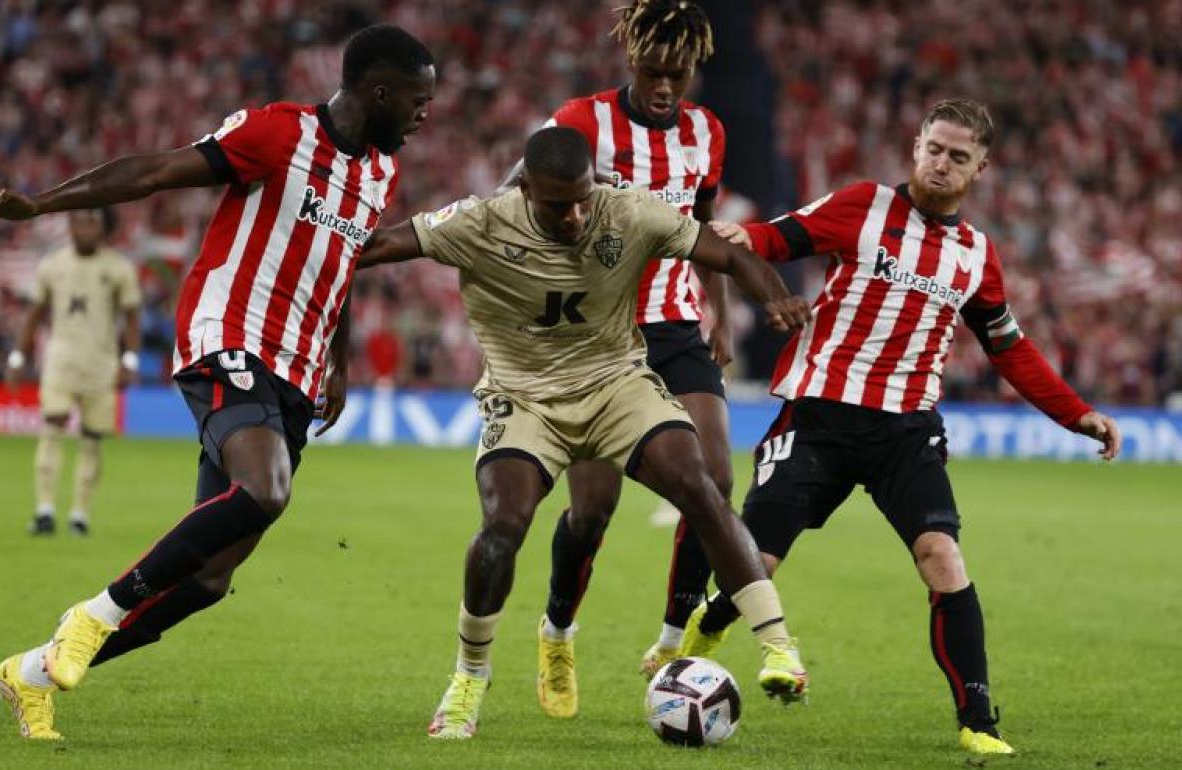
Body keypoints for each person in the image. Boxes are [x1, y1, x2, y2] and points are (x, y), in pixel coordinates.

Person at [0, 24, 436, 740]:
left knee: (209, 579)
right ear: (380, 91)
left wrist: (336, 358)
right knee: (268, 489)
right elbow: (151, 172)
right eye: (419, 101)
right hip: (227, 335)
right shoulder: (279, 132)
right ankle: (94, 614)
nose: (427, 116)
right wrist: (43, 204)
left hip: (298, 370)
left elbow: (340, 265)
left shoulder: (379, 174)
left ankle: (29, 672)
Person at [670, 98, 1124, 756]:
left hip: (905, 432)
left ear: (980, 169)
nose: (942, 164)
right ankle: (710, 622)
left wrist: (1077, 414)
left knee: (942, 558)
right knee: (757, 561)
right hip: (819, 417)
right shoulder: (861, 206)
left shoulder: (976, 256)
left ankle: (978, 720)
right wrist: (740, 241)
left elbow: (1009, 348)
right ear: (916, 147)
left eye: (958, 157)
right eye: (934, 149)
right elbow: (779, 238)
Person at [358, 125, 812, 740]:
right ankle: (469, 676)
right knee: (503, 528)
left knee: (700, 484)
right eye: (555, 204)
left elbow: (728, 253)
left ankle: (778, 646)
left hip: (616, 383)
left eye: (581, 198)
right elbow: (374, 247)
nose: (573, 214)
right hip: (523, 396)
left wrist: (775, 297)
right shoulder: (480, 221)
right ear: (525, 190)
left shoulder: (626, 209)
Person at [502, 0, 738, 714]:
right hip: (594, 333)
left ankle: (674, 641)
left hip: (673, 323)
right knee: (593, 510)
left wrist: (717, 308)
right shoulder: (580, 121)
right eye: (653, 71)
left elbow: (697, 226)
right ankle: (557, 630)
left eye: (679, 73)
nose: (666, 87)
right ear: (629, 58)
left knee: (715, 482)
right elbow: (516, 192)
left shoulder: (707, 132)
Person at [6, 208, 141, 537]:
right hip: (60, 362)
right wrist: (17, 358)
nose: (85, 228)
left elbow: (132, 317)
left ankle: (80, 514)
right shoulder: (53, 266)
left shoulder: (119, 268)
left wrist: (130, 361)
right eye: (79, 222)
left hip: (101, 366)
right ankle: (45, 510)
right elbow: (35, 315)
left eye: (92, 222)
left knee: (92, 441)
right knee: (51, 427)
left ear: (103, 227)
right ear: (69, 226)